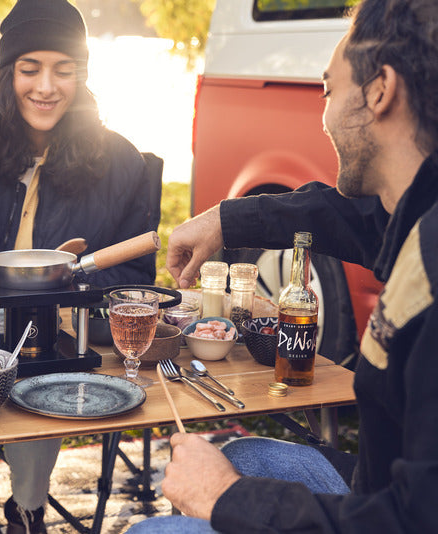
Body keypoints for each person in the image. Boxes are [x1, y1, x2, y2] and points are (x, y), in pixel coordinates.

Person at [126, 0, 438, 532]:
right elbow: (343, 216)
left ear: (381, 91)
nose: (325, 116)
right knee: (243, 458)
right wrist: (226, 220)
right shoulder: (416, 213)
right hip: (379, 484)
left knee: (153, 529)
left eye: (329, 89)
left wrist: (228, 499)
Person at [0, 0, 158, 531]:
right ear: (5, 73)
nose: (46, 87)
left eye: (64, 70)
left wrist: (74, 277)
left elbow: (136, 278)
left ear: (81, 76)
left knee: (49, 366)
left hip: (58, 331)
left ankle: (29, 508)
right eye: (29, 69)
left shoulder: (120, 161)